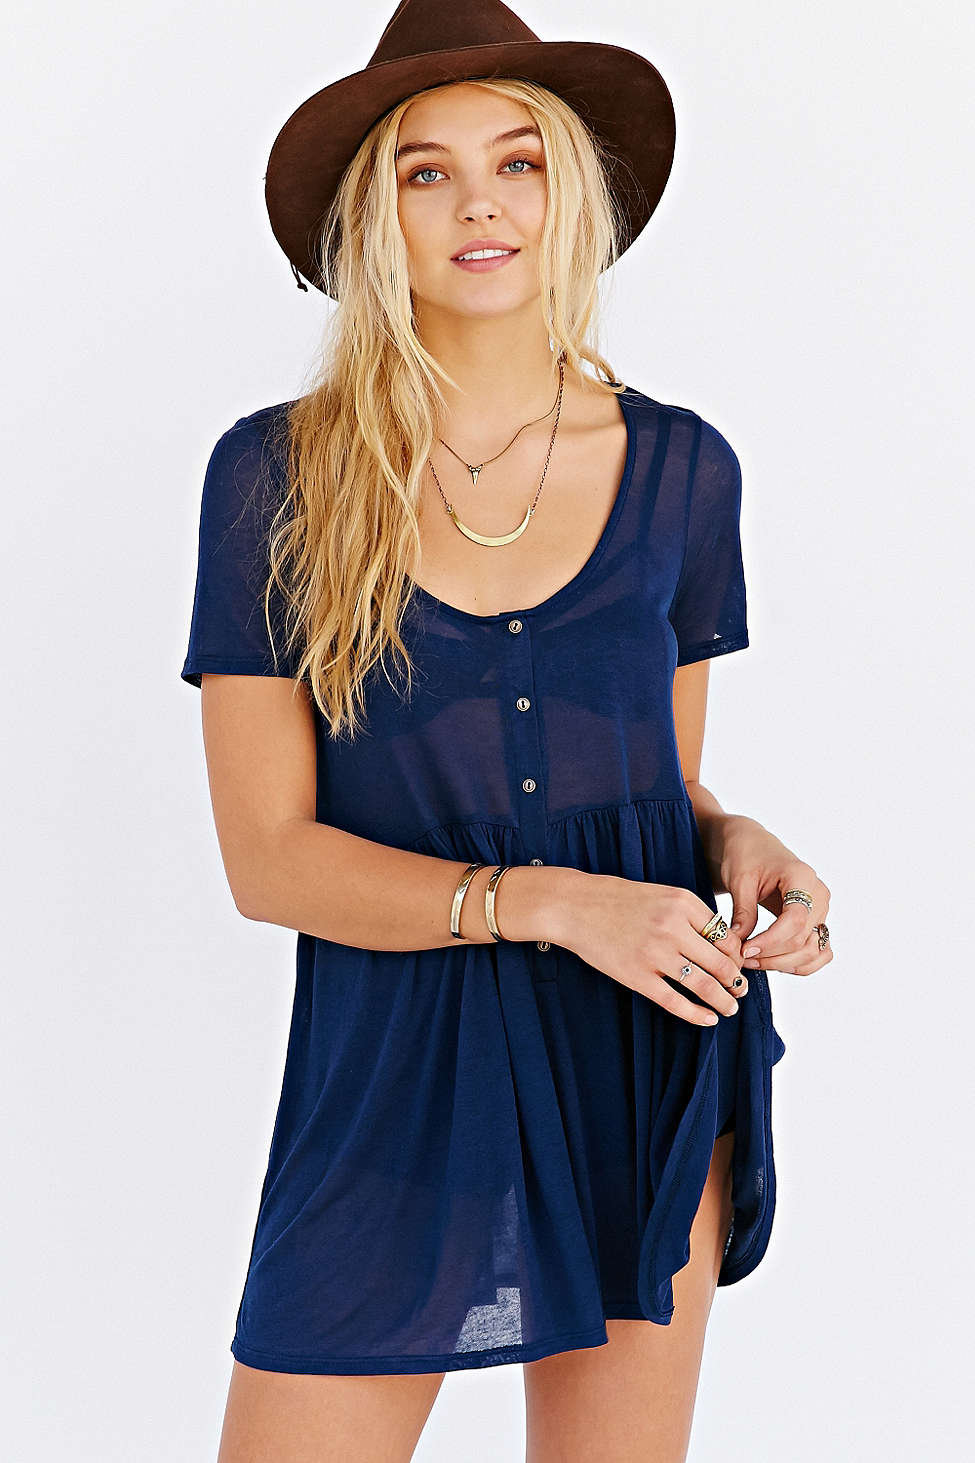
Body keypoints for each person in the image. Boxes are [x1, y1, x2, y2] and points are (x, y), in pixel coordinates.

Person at [180, 2, 833, 1459]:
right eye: (428, 171)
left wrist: (736, 839)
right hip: (395, 1068)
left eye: (519, 161)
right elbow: (268, 859)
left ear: (570, 195)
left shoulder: (682, 470)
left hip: (643, 1044)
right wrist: (548, 903)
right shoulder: (277, 479)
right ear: (377, 219)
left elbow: (654, 777)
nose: (481, 202)